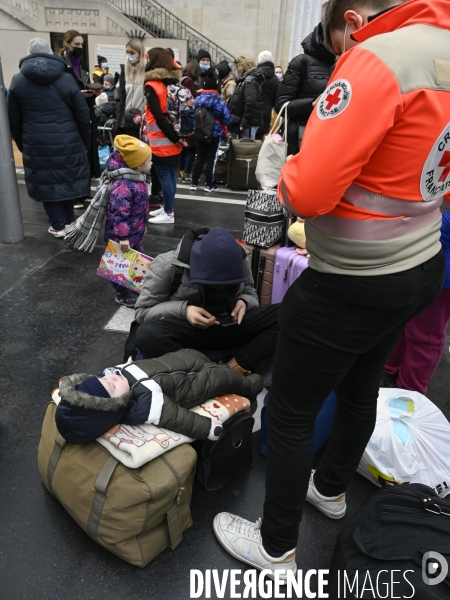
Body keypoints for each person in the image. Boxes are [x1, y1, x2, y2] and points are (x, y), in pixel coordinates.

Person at [213, 0, 449, 579]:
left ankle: (275, 550)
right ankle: (332, 488)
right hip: (418, 261)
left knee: (292, 410)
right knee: (361, 387)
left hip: (350, 276)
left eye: (335, 41)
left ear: (352, 19)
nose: (339, 55)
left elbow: (312, 189)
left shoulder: (377, 60)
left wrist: (282, 178)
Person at [133, 226, 280, 371]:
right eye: (213, 285)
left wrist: (243, 302)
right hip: (190, 330)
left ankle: (235, 366)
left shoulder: (240, 257)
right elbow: (142, 312)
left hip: (230, 324)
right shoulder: (168, 264)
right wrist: (185, 310)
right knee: (147, 334)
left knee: (287, 312)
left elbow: (250, 292)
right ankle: (203, 371)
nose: (220, 289)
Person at [55, 349, 263, 444]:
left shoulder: (117, 375)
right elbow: (176, 418)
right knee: (229, 378)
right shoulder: (142, 406)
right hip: (199, 382)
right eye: (111, 387)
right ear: (112, 408)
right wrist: (209, 428)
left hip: (181, 359)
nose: (112, 377)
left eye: (104, 378)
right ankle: (253, 384)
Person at [7, 38, 90, 238]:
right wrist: (84, 142)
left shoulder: (18, 80)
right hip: (67, 138)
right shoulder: (66, 78)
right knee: (68, 178)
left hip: (36, 141)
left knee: (47, 181)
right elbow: (82, 114)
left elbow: (14, 119)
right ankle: (70, 222)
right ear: (50, 53)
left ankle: (58, 225)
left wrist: (22, 143)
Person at [382, 213, 450, 394]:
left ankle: (410, 388)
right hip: (420, 265)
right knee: (403, 321)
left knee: (425, 334)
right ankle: (390, 369)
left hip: (443, 276)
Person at [103, 135, 152, 307]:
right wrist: (122, 237)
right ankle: (122, 294)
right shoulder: (124, 185)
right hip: (121, 236)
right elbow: (119, 213)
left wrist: (142, 226)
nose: (151, 163)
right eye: (149, 161)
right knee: (118, 266)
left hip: (134, 232)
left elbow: (139, 208)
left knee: (137, 261)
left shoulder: (137, 179)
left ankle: (137, 287)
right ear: (138, 165)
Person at [274, 22, 335, 156]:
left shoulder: (343, 63)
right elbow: (281, 105)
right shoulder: (302, 62)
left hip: (330, 137)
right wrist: (311, 104)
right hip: (300, 138)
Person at [144, 48, 185, 225]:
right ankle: (168, 208)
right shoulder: (171, 84)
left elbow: (158, 116)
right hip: (173, 135)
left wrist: (172, 137)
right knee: (170, 175)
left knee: (164, 177)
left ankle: (168, 212)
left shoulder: (152, 85)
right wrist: (176, 137)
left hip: (161, 139)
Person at [60, 30, 100, 179]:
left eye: (82, 44)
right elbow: (61, 90)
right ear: (66, 44)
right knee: (74, 153)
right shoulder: (61, 65)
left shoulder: (82, 63)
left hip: (85, 111)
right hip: (70, 114)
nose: (80, 47)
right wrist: (78, 94)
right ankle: (76, 194)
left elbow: (83, 83)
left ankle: (84, 190)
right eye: (76, 44)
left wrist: (92, 92)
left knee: (87, 151)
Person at [190, 69, 232, 193]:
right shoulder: (218, 100)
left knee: (199, 157)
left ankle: (194, 183)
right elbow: (227, 118)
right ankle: (209, 184)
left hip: (199, 132)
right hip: (214, 133)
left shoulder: (198, 99)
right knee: (211, 159)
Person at [228, 56, 264, 139]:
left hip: (249, 124)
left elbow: (250, 103)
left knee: (246, 148)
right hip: (248, 122)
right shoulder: (248, 80)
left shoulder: (249, 80)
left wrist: (244, 123)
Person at [179, 61, 201, 182]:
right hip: (189, 117)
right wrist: (200, 92)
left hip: (182, 116)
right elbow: (193, 97)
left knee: (183, 147)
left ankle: (181, 171)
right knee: (192, 147)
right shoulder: (189, 81)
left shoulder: (182, 79)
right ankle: (187, 173)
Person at [255, 50, 280, 141]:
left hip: (254, 111)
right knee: (261, 137)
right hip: (267, 110)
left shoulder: (255, 75)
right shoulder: (275, 79)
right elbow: (276, 98)